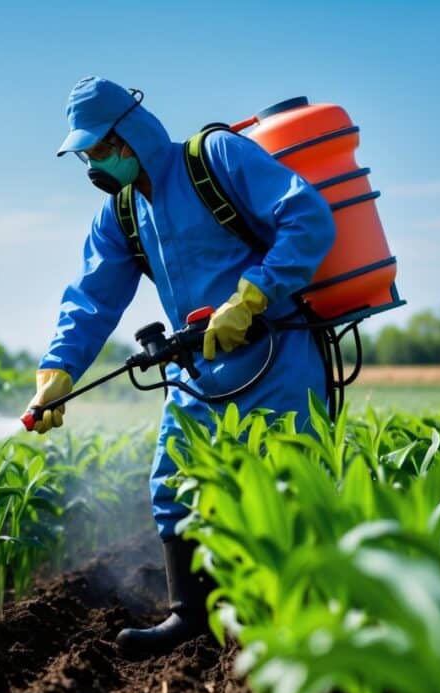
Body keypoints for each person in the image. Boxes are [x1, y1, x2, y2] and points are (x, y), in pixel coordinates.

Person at [26, 77, 336, 657]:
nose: (94, 163)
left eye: (98, 149)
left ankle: (299, 622)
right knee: (173, 483)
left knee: (288, 483)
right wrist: (57, 372)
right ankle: (189, 618)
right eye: (85, 155)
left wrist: (251, 298)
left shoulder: (213, 158)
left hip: (278, 354)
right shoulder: (120, 214)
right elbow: (91, 300)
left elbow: (307, 219)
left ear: (129, 134)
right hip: (198, 371)